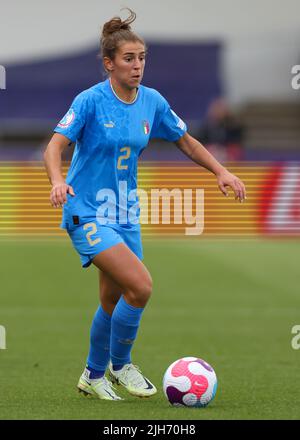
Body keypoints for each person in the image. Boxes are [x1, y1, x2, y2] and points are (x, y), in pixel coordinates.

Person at [44, 9, 246, 401]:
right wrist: (56, 181)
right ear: (109, 64)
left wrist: (221, 171)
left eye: (142, 58)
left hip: (125, 214)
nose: (137, 66)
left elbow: (185, 140)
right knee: (140, 286)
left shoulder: (151, 101)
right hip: (86, 210)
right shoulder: (89, 101)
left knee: (112, 299)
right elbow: (55, 145)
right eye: (128, 59)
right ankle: (121, 365)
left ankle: (93, 374)